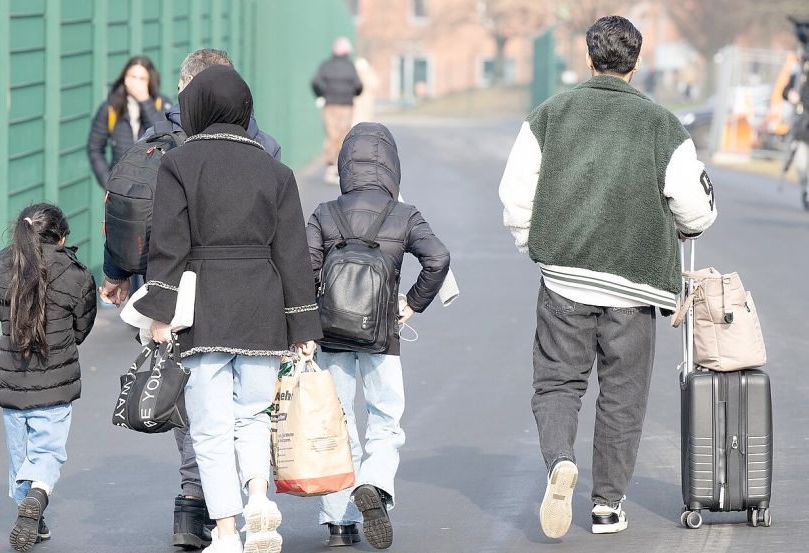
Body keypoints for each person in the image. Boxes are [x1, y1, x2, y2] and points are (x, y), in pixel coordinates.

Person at [498, 15, 717, 539]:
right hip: (634, 288)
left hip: (564, 280)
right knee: (624, 393)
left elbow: (514, 195)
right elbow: (696, 212)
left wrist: (539, 245)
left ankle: (559, 463)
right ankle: (607, 506)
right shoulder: (664, 125)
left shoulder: (549, 115)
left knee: (557, 381)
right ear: (636, 64)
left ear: (588, 58)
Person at [96, 48, 284, 551]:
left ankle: (191, 506)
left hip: (171, 288)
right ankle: (243, 500)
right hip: (249, 293)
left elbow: (131, 208)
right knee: (246, 411)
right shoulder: (261, 146)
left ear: (183, 90)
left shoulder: (157, 142)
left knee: (197, 405)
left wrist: (118, 276)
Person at [135, 64, 323, 553]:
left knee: (211, 427)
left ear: (196, 108)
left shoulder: (180, 165)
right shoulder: (275, 170)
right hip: (263, 304)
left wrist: (159, 309)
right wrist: (302, 322)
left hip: (205, 308)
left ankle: (225, 532)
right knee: (254, 415)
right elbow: (292, 253)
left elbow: (169, 245)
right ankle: (259, 498)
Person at [306, 122, 450, 550]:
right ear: (391, 166)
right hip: (382, 335)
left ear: (344, 164)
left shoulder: (324, 212)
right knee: (385, 420)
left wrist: (312, 319)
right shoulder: (404, 215)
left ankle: (339, 522)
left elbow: (303, 269)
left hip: (331, 335)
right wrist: (410, 304)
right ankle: (374, 484)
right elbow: (438, 258)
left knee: (338, 423)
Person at [0, 203, 97, 552]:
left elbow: (0, 310)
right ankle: (38, 499)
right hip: (55, 383)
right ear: (62, 237)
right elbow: (82, 326)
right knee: (48, 451)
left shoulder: (3, 269)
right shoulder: (76, 274)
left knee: (19, 454)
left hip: (12, 382)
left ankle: (32, 517)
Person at [87, 55, 173, 188]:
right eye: (132, 76)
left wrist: (144, 100)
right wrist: (108, 182)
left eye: (142, 78)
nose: (136, 82)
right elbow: (95, 149)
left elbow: (164, 135)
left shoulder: (162, 104)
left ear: (150, 81)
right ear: (124, 78)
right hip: (120, 187)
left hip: (153, 186)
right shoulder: (110, 107)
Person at [312, 37, 363, 185]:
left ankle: (330, 165)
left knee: (331, 134)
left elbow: (315, 82)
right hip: (346, 104)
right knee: (342, 134)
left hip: (329, 104)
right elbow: (359, 86)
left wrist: (321, 94)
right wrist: (354, 93)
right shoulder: (350, 66)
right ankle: (338, 166)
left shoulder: (326, 65)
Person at [782, 22, 809, 210]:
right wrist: (790, 93)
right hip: (802, 125)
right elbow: (786, 90)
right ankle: (806, 189)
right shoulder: (799, 70)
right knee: (801, 164)